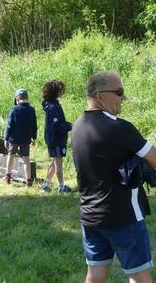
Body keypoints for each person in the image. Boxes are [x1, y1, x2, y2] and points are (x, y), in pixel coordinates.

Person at [71, 71, 156, 283]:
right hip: (124, 216)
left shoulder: (78, 126)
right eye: (119, 92)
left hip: (90, 216)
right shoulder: (120, 128)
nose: (123, 98)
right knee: (139, 276)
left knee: (95, 275)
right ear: (100, 96)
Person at [41, 79, 72, 193]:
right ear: (56, 92)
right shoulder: (53, 107)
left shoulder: (51, 105)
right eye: (60, 90)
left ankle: (47, 184)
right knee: (58, 162)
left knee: (55, 161)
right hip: (56, 139)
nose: (62, 92)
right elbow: (57, 125)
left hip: (53, 138)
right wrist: (70, 126)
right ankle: (61, 186)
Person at [3, 88, 37, 185]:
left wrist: (6, 138)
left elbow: (10, 125)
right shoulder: (31, 110)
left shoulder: (14, 109)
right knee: (26, 158)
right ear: (27, 98)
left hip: (14, 138)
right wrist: (33, 138)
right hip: (26, 138)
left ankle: (8, 176)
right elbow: (34, 125)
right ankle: (28, 180)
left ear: (17, 100)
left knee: (11, 155)